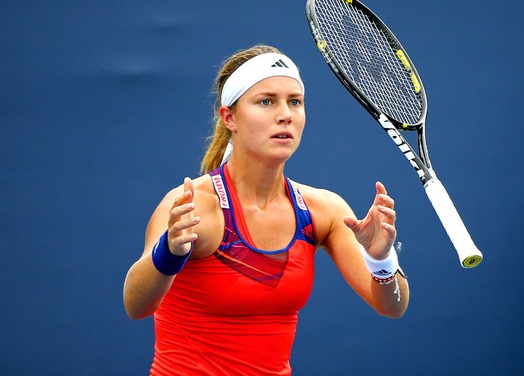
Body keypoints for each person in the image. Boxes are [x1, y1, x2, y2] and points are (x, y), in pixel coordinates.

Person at [123, 44, 409, 375]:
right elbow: (136, 305)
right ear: (229, 117)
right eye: (266, 101)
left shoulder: (324, 210)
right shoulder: (194, 205)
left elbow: (393, 306)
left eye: (295, 102)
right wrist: (169, 251)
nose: (285, 113)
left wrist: (381, 260)